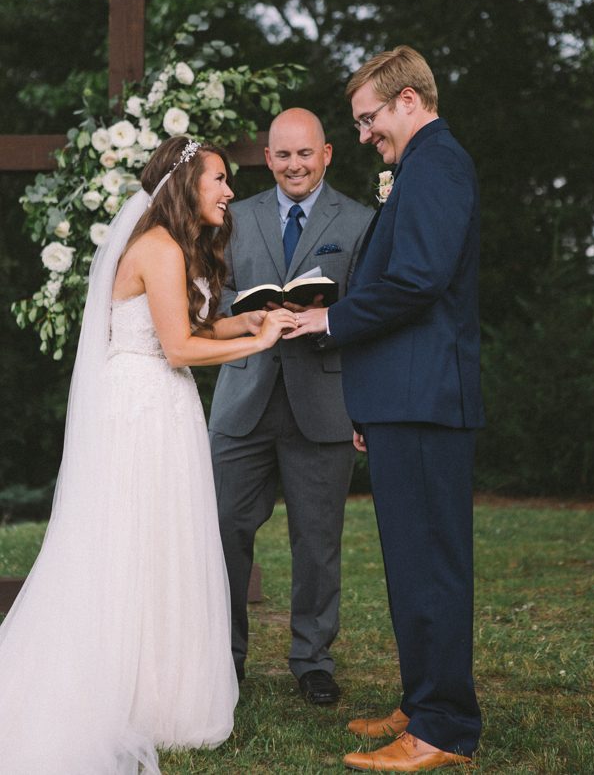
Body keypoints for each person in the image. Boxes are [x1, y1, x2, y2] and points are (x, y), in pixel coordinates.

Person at [0, 136, 296, 775]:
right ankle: (132, 691)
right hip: (141, 410)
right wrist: (263, 341)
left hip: (162, 407)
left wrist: (241, 322)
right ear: (187, 184)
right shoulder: (159, 248)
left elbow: (190, 326)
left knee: (163, 542)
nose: (228, 191)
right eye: (218, 179)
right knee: (138, 541)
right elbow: (178, 349)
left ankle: (159, 692)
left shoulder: (176, 249)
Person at [286, 47, 485, 771]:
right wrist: (371, 405)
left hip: (428, 398)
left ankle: (444, 729)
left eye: (370, 119)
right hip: (406, 399)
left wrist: (329, 320)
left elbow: (418, 279)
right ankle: (421, 699)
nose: (366, 134)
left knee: (433, 565)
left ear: (408, 101)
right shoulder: (420, 165)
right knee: (410, 563)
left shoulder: (437, 163)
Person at [208, 108, 373, 703]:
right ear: (267, 156)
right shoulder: (237, 215)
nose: (293, 165)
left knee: (318, 539)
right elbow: (212, 293)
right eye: (281, 155)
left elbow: (369, 311)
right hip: (242, 400)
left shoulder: (357, 221)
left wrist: (321, 323)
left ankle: (313, 661)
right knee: (224, 533)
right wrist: (247, 314)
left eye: (305, 154)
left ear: (327, 154)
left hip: (324, 399)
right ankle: (224, 658)